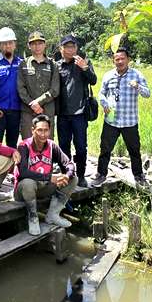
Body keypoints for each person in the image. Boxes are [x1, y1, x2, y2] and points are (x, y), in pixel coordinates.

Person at [92, 47, 151, 187]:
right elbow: (101, 93)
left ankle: (138, 175)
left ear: (128, 59)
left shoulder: (136, 75)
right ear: (113, 61)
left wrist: (138, 86)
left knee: (134, 150)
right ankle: (101, 174)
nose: (119, 61)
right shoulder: (108, 75)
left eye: (122, 58)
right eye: (117, 59)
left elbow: (147, 94)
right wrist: (104, 103)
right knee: (105, 149)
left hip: (129, 121)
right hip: (111, 120)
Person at [14, 114, 77, 235]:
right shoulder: (24, 146)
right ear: (33, 130)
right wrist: (49, 177)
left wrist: (67, 175)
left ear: (50, 130)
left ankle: (53, 214)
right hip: (23, 191)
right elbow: (23, 172)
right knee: (28, 183)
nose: (43, 134)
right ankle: (33, 217)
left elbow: (68, 164)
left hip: (43, 187)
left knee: (73, 179)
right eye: (39, 130)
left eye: (46, 130)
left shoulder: (52, 145)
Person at [55, 35, 97, 188]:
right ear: (61, 49)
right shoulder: (57, 66)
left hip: (80, 114)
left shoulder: (84, 62)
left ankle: (81, 175)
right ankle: (66, 174)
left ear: (76, 48)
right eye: (66, 47)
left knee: (81, 147)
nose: (70, 50)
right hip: (62, 114)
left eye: (72, 46)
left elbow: (93, 80)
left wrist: (85, 68)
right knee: (63, 146)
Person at [17, 31, 60, 139]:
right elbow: (20, 88)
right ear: (29, 46)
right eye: (34, 44)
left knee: (46, 143)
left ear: (45, 45)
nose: (37, 46)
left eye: (40, 43)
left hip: (46, 112)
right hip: (28, 112)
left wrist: (38, 102)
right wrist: (32, 104)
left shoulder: (53, 65)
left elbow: (55, 89)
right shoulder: (23, 64)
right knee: (28, 143)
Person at [0, 27, 23, 148]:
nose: (7, 46)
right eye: (4, 43)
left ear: (15, 44)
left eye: (10, 43)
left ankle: (10, 162)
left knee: (12, 144)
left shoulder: (21, 63)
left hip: (16, 110)